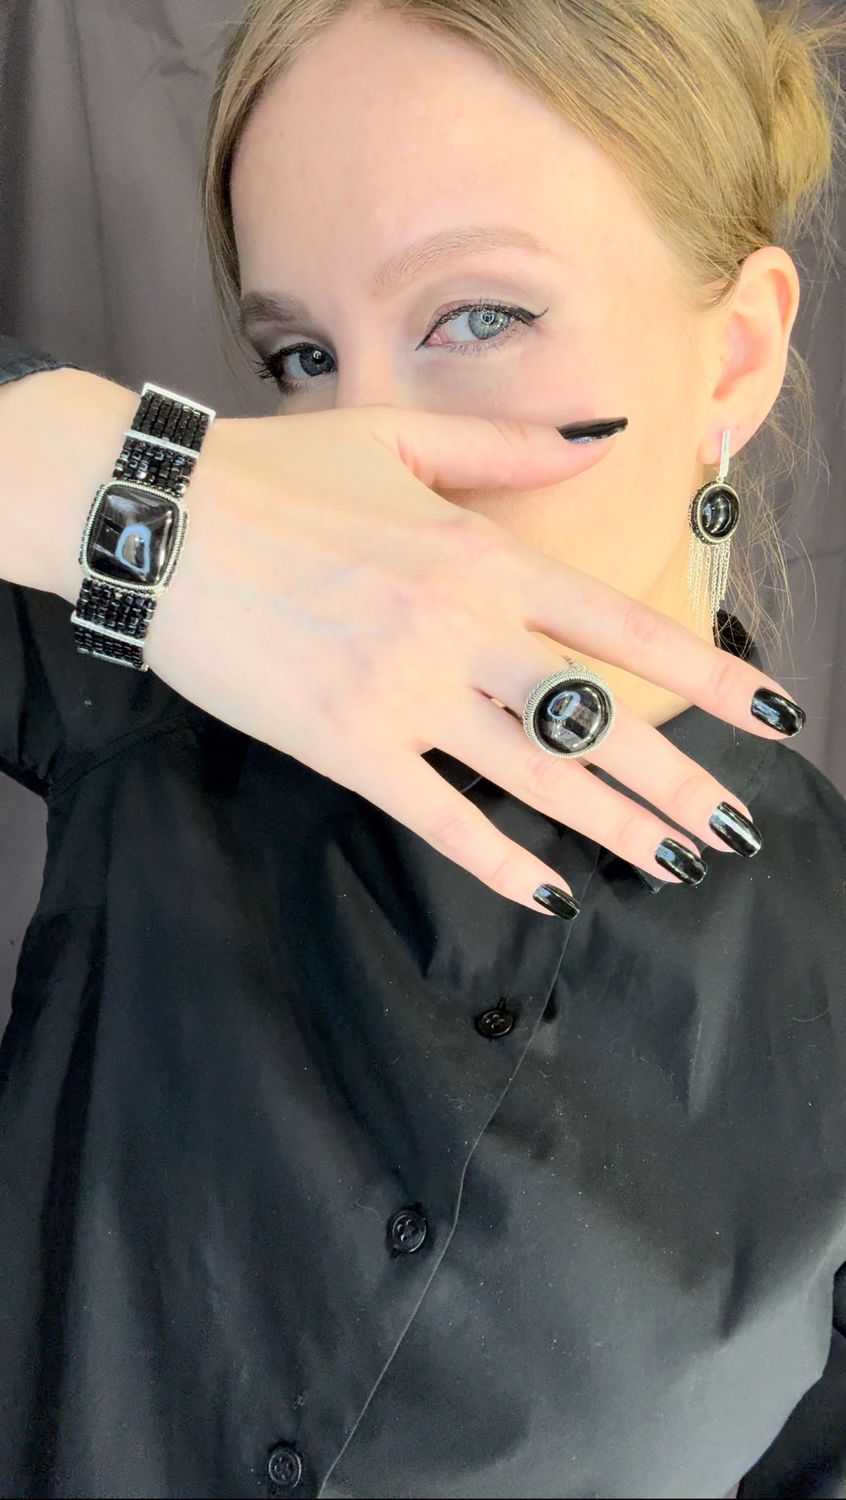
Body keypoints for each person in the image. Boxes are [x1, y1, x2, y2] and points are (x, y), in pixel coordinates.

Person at [0, 0, 845, 1495]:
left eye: (478, 318)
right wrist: (151, 499)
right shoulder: (151, 667)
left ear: (731, 357)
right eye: (300, 355)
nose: (356, 455)